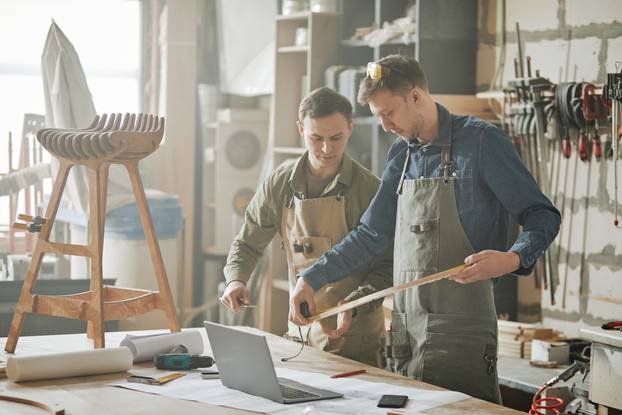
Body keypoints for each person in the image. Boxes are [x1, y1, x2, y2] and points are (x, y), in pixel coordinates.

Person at [289, 55, 561, 403]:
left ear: (415, 97)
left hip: (460, 338)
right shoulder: (400, 156)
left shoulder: (481, 142)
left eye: (388, 113)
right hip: (405, 335)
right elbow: (370, 235)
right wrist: (310, 278)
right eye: (378, 117)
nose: (385, 126)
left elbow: (543, 214)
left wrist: (512, 259)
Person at [220, 87, 392, 367]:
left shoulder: (369, 189)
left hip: (355, 339)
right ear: (301, 129)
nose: (327, 149)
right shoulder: (279, 183)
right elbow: (247, 242)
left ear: (350, 128)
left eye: (336, 138)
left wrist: (355, 305)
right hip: (300, 336)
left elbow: (388, 265)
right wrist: (236, 279)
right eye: (316, 138)